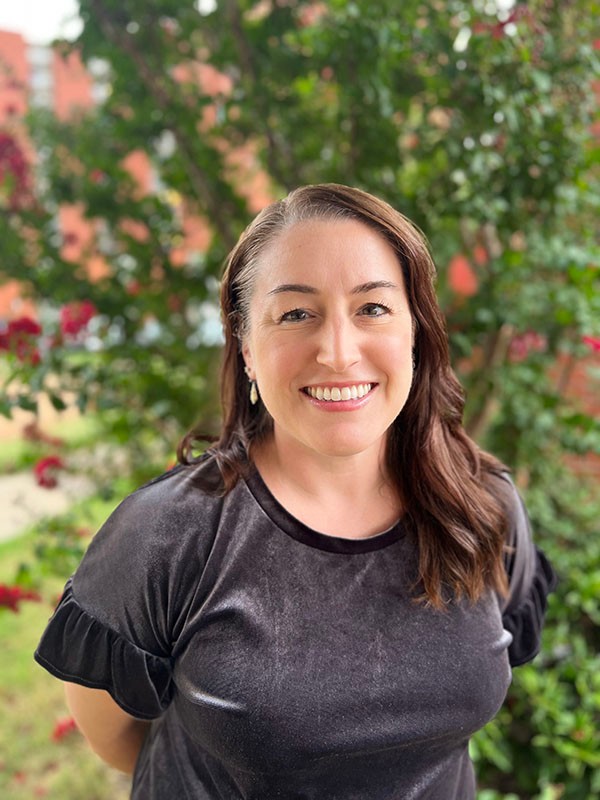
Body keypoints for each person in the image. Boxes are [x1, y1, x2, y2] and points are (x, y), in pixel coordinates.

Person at [35, 183, 557, 799]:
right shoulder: (166, 536)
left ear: (416, 330)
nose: (338, 352)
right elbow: (115, 736)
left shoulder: (483, 504)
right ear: (247, 349)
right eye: (295, 314)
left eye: (373, 308)